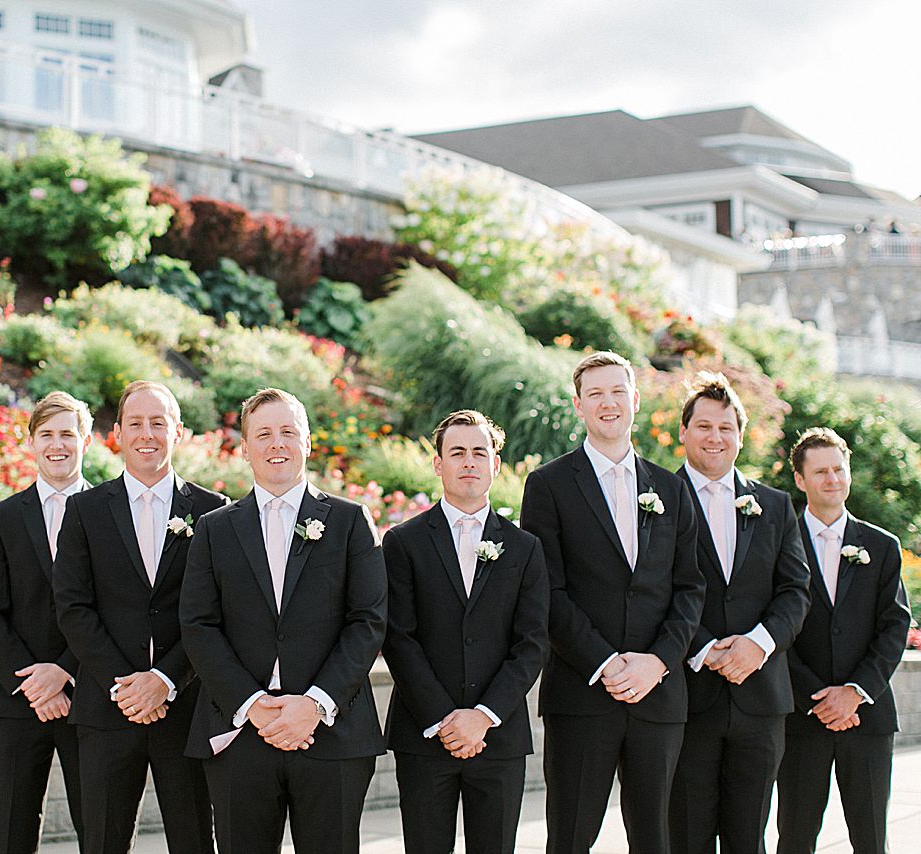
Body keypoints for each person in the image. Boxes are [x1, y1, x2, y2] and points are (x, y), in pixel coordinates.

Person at [180, 387, 387, 854]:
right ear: (247, 447)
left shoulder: (350, 521)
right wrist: (251, 703)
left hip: (331, 732)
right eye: (264, 434)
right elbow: (198, 624)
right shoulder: (215, 528)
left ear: (308, 442)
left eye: (288, 432)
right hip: (242, 733)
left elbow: (367, 621)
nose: (277, 444)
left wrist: (314, 704)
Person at [519, 351, 704, 854]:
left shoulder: (671, 488)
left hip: (658, 696)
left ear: (636, 400)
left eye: (618, 391)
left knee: (659, 838)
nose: (608, 403)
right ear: (579, 406)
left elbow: (690, 587)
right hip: (581, 694)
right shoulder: (548, 485)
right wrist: (604, 663)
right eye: (595, 394)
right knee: (571, 838)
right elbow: (546, 591)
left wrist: (658, 662)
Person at [55, 381, 227, 854]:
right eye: (136, 423)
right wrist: (126, 684)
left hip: (186, 706)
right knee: (103, 840)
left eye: (158, 422)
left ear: (179, 432)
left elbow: (214, 613)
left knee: (194, 839)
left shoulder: (213, 513)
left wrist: (166, 680)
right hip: (107, 708)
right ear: (117, 434)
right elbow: (73, 607)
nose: (146, 433)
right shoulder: (84, 510)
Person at [381, 409, 549, 854]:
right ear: (439, 464)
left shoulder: (526, 548)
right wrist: (444, 719)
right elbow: (398, 637)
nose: (469, 461)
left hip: (499, 733)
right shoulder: (403, 541)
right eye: (457, 452)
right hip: (423, 732)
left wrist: (483, 715)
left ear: (496, 463)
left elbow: (531, 642)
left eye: (480, 452)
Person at [667, 374, 810, 854]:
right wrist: (703, 648)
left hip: (762, 700)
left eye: (726, 428)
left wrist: (759, 644)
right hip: (686, 700)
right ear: (683, 432)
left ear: (741, 436)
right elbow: (649, 593)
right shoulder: (658, 501)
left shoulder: (774, 506)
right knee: (686, 833)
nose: (715, 437)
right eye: (703, 425)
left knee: (750, 836)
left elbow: (794, 591)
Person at [776, 428, 911, 854]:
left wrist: (854, 692)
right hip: (801, 717)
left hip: (867, 717)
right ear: (800, 480)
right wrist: (817, 698)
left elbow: (894, 626)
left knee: (871, 838)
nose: (832, 478)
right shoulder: (780, 543)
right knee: (795, 837)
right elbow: (775, 627)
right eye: (820, 471)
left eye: (838, 469)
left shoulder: (882, 545)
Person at [0, 392, 93, 853]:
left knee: (97, 821)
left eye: (67, 433)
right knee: (13, 827)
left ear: (85, 440)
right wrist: (33, 683)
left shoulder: (107, 510)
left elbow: (110, 607)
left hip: (87, 692)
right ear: (31, 442)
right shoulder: (0, 519)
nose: (57, 444)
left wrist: (64, 670)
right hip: (18, 698)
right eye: (46, 434)